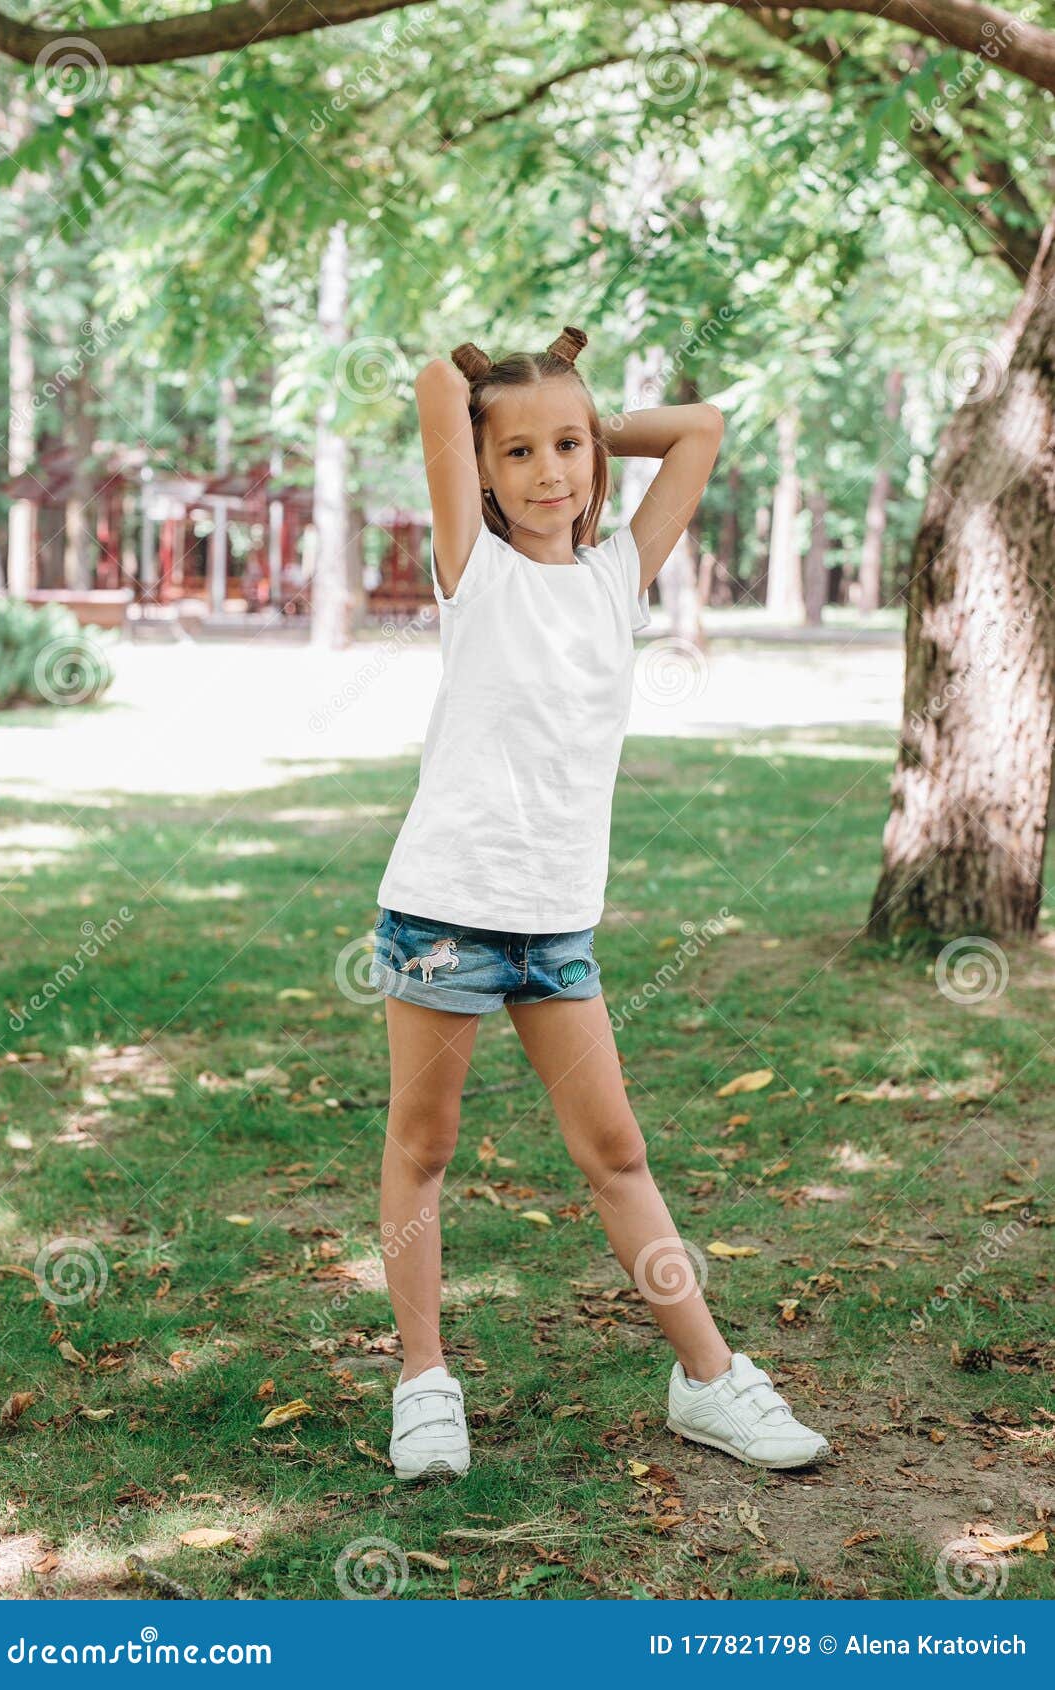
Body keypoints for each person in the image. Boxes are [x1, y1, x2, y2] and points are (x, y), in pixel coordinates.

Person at [370, 325, 830, 1482]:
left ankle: (709, 1378)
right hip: (443, 917)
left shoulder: (616, 573)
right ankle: (424, 1381)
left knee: (613, 1147)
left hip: (555, 928)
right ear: (479, 471)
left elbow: (701, 429)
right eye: (516, 453)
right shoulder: (472, 567)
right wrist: (490, 397)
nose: (547, 471)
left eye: (568, 446)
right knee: (422, 1147)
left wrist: (575, 404)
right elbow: (435, 382)